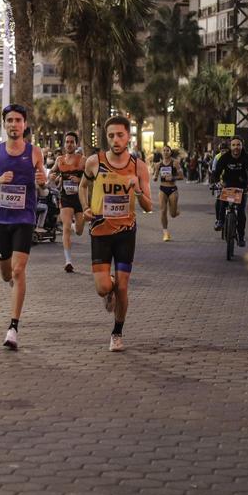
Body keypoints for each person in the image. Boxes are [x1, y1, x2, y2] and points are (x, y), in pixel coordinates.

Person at [0, 104, 46, 351]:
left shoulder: (35, 153)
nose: (14, 124)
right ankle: (9, 286)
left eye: (18, 120)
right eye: (10, 120)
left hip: (25, 219)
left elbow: (43, 184)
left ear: (24, 124)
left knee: (18, 271)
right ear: (4, 125)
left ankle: (13, 326)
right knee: (6, 273)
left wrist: (42, 182)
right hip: (1, 221)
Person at [79, 117, 152, 352]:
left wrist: (138, 189)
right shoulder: (94, 162)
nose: (115, 140)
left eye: (120, 135)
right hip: (100, 230)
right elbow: (82, 186)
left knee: (123, 287)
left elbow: (149, 206)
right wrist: (85, 208)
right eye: (111, 136)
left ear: (128, 136)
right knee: (103, 287)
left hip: (125, 232)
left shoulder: (138, 166)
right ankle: (108, 290)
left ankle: (117, 332)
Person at [209, 137, 248, 246]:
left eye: (238, 145)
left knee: (241, 212)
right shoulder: (225, 157)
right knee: (222, 201)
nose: (236, 148)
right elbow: (216, 172)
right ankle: (220, 221)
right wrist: (216, 182)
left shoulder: (246, 157)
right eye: (233, 145)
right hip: (228, 184)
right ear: (230, 146)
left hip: (241, 185)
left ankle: (241, 236)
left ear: (242, 146)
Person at [54, 132, 85, 273]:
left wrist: (80, 181)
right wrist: (53, 177)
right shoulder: (60, 160)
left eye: (72, 142)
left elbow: (91, 178)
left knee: (79, 231)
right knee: (65, 227)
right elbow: (51, 173)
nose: (69, 144)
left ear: (76, 144)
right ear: (64, 144)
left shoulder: (82, 160)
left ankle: (75, 225)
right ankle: (68, 261)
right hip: (65, 198)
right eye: (67, 142)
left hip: (79, 199)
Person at [154, 145, 182, 242]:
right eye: (164, 150)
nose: (165, 152)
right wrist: (155, 177)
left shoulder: (175, 163)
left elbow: (181, 176)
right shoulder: (158, 165)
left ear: (170, 152)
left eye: (167, 150)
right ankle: (165, 233)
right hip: (162, 189)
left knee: (173, 214)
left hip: (172, 189)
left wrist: (173, 178)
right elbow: (155, 175)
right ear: (162, 152)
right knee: (162, 211)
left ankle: (175, 211)